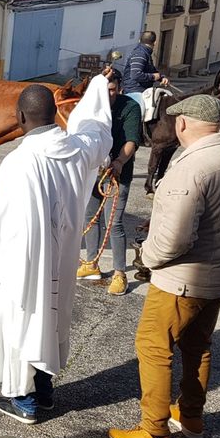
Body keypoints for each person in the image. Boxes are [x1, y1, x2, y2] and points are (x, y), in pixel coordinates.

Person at [0, 72, 113, 424]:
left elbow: (4, 222)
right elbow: (99, 131)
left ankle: (23, 400)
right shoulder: (78, 148)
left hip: (27, 265)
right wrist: (98, 90)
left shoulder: (18, 164)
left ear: (20, 117)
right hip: (60, 259)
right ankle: (44, 391)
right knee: (53, 319)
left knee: (24, 321)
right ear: (53, 115)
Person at [108, 95, 220, 438]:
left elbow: (174, 241)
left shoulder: (190, 168)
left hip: (183, 280)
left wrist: (148, 256)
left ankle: (153, 432)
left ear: (183, 124)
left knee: (153, 347)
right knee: (198, 344)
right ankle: (190, 417)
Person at [77, 70, 142, 295]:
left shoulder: (130, 107)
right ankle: (91, 263)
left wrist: (120, 162)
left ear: (119, 89)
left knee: (114, 223)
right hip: (93, 172)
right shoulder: (90, 106)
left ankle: (119, 273)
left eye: (112, 91)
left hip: (117, 174)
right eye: (104, 91)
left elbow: (132, 140)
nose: (108, 95)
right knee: (90, 217)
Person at [122, 31, 169, 113]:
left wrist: (161, 77)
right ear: (155, 42)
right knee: (140, 115)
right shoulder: (140, 53)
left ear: (139, 40)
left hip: (142, 90)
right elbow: (136, 75)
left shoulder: (145, 53)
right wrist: (153, 77)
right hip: (134, 91)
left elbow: (151, 70)